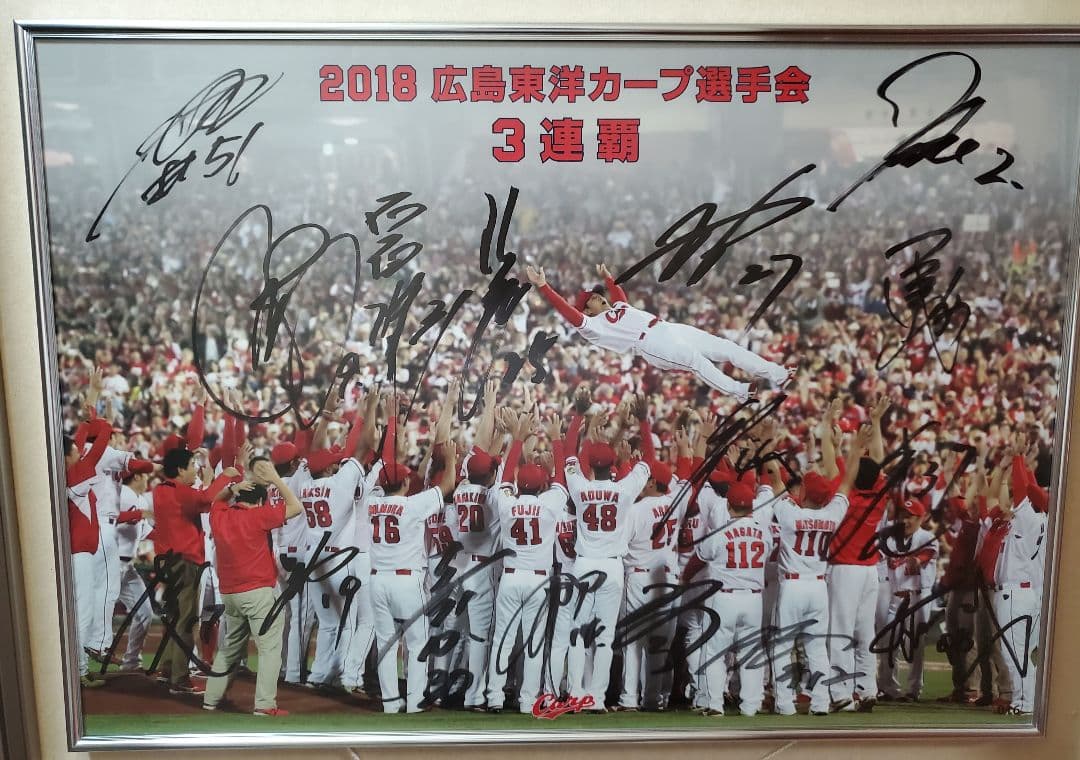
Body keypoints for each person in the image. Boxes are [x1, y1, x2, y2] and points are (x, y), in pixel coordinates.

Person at [525, 263, 793, 402]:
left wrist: (608, 278)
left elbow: (618, 293)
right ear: (587, 309)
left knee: (725, 347)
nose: (596, 296)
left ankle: (777, 373)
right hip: (650, 344)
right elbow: (569, 312)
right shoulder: (592, 326)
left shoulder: (618, 307)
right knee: (697, 362)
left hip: (666, 327)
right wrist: (544, 287)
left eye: (596, 294)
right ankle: (740, 391)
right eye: (591, 299)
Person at [764, 422, 868, 716]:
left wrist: (768, 444)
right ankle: (820, 703)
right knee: (817, 648)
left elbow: (774, 476)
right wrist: (856, 448)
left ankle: (785, 704)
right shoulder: (832, 514)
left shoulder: (790, 513)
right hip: (819, 587)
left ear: (805, 493)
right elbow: (847, 482)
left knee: (782, 646)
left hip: (793, 586)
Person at [365, 414, 458, 714]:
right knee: (417, 641)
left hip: (377, 580)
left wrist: (392, 429)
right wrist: (452, 459)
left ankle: (391, 702)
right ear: (405, 482)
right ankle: (416, 701)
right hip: (406, 581)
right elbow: (448, 485)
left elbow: (378, 476)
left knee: (386, 642)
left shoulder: (371, 503)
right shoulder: (412, 505)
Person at [202, 457, 302, 717]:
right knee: (269, 649)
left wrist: (233, 488)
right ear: (259, 501)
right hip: (257, 592)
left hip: (229, 594)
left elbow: (216, 501)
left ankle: (210, 699)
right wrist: (276, 479)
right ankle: (264, 704)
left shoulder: (220, 516)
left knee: (229, 648)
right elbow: (296, 507)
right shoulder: (258, 515)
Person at [485, 411, 567, 714]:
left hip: (510, 577)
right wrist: (556, 440)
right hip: (537, 580)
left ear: (520, 485)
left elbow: (505, 478)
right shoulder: (550, 503)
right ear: (543, 484)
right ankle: (528, 700)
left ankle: (494, 697)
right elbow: (561, 480)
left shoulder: (508, 503)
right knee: (533, 642)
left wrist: (517, 438)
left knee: (502, 639)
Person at [152, 447, 236, 694]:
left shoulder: (161, 490)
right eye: (191, 465)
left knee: (174, 616)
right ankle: (179, 678)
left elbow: (200, 498)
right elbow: (206, 499)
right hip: (185, 562)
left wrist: (214, 483)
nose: (195, 469)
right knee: (186, 619)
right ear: (180, 470)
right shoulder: (180, 491)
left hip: (166, 561)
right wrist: (226, 476)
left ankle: (167, 668)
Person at [695, 481, 775, 716]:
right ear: (751, 506)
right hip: (753, 599)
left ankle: (714, 704)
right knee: (751, 652)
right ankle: (750, 705)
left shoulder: (719, 532)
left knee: (715, 653)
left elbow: (702, 555)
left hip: (725, 598)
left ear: (728, 506)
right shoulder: (764, 532)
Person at [878, 495, 938, 702]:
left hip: (918, 598)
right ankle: (888, 688)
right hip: (896, 598)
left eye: (911, 516)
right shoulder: (891, 540)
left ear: (921, 518)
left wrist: (916, 560)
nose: (906, 520)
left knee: (915, 645)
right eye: (903, 515)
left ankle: (913, 690)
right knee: (888, 642)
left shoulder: (927, 537)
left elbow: (926, 555)